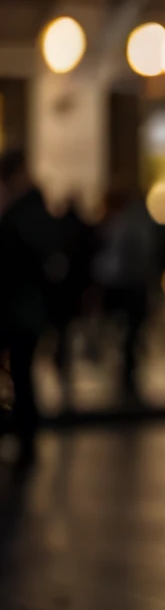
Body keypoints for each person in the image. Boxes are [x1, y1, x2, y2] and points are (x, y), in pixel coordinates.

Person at [0, 150, 52, 469]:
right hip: (23, 308)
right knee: (21, 375)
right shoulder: (31, 210)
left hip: (19, 309)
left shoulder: (25, 212)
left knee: (21, 374)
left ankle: (26, 441)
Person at [93, 186, 160, 404]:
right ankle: (126, 376)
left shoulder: (126, 224)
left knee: (128, 334)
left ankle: (127, 376)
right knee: (128, 334)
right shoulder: (131, 222)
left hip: (127, 286)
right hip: (129, 285)